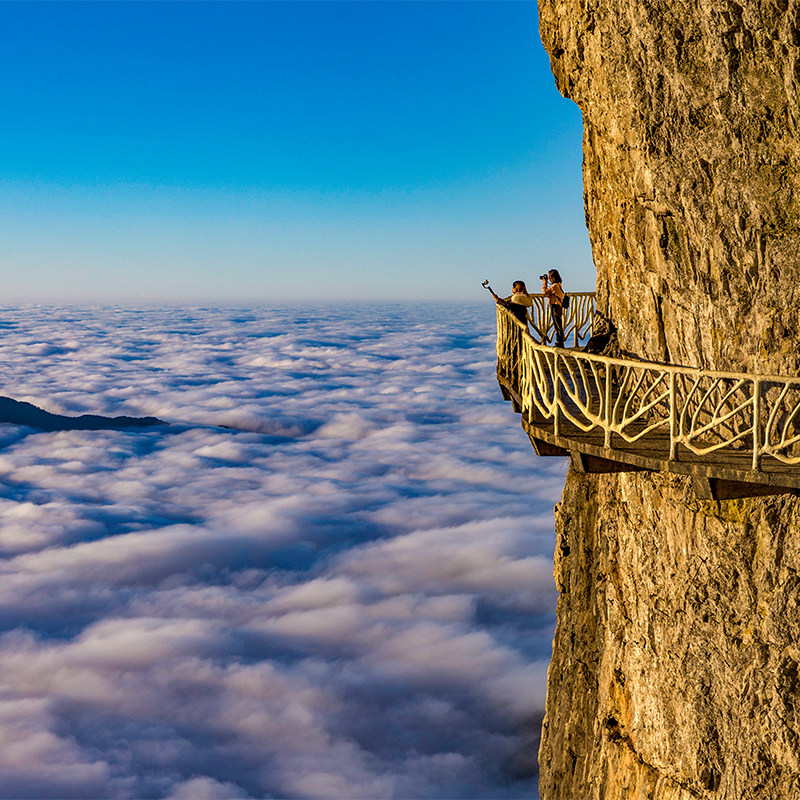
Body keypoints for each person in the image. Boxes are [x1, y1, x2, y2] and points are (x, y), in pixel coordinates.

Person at [542, 269, 566, 347]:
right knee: (558, 324)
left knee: (557, 325)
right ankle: (560, 342)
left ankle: (559, 342)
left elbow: (545, 292)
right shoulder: (558, 284)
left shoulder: (555, 286)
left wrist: (544, 283)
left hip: (555, 306)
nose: (548, 278)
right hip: (558, 306)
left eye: (549, 277)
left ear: (552, 277)